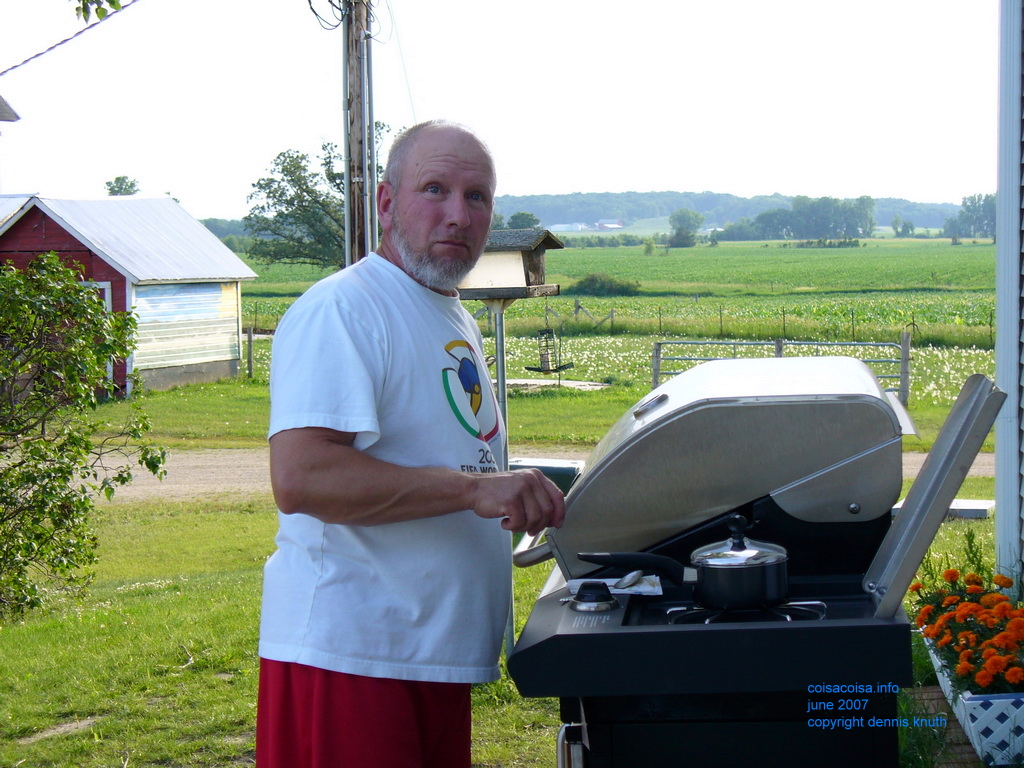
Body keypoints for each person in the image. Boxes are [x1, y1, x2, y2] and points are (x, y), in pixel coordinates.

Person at [255, 120, 566, 768]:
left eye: (477, 196)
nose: (458, 214)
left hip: (429, 655)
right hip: (352, 659)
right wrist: (474, 491)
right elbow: (303, 478)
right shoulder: (343, 309)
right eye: (436, 189)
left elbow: (454, 456)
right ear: (386, 203)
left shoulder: (449, 313)